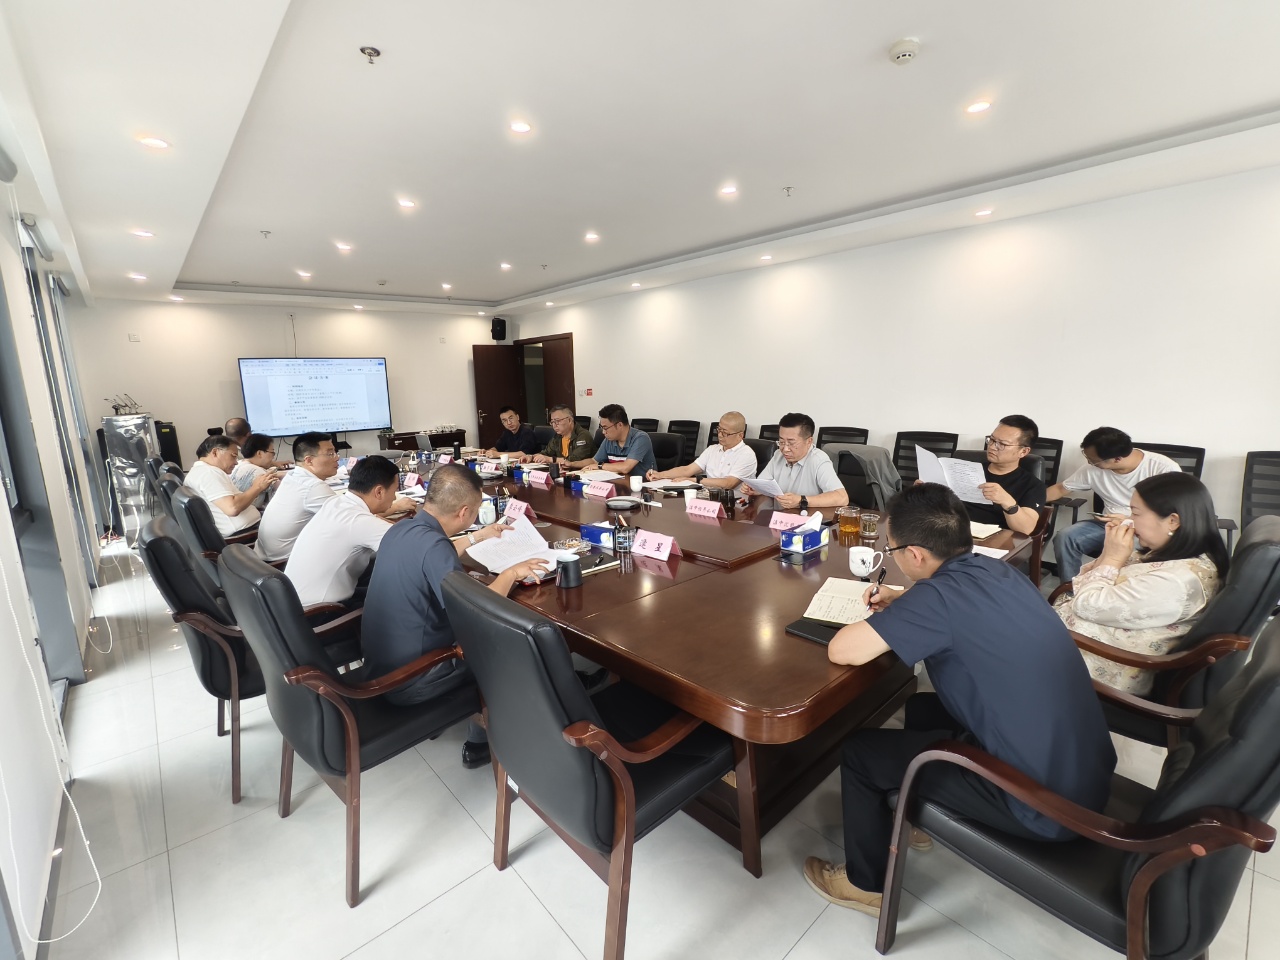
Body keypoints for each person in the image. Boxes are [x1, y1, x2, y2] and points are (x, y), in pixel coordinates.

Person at [803, 483, 1116, 917]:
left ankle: (865, 884)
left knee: (860, 752)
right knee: (922, 708)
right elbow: (955, 604)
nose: (892, 557)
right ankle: (914, 815)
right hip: (1082, 771)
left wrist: (909, 605)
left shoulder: (937, 598)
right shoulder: (997, 569)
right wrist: (903, 600)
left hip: (1042, 805)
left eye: (891, 550)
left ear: (915, 554)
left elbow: (843, 651)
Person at [361, 464, 550, 768]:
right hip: (412, 680)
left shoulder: (401, 529)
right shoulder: (434, 546)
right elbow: (476, 610)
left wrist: (478, 536)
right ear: (464, 512)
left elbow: (439, 548)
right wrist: (512, 573)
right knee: (511, 650)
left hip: (380, 666)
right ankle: (484, 742)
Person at [1054, 472, 1228, 695]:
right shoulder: (1173, 554)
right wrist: (1111, 552)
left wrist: (1112, 558)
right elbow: (1088, 581)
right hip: (1079, 643)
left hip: (1099, 667)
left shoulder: (1175, 583)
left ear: (1173, 521)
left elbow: (1087, 604)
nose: (1129, 520)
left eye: (1135, 513)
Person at [1047, 427, 1181, 582]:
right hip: (1107, 525)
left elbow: (1173, 510)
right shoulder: (1091, 470)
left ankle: (1115, 592)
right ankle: (1071, 589)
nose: (1089, 462)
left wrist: (1129, 520)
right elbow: (1060, 488)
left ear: (1117, 459)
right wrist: (1029, 504)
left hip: (1145, 529)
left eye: (1093, 460)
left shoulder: (1163, 468)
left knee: (1133, 553)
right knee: (1066, 537)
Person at [285, 455, 416, 607]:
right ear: (379, 492)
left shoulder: (336, 502)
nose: (394, 498)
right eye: (394, 491)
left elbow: (377, 525)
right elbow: (415, 549)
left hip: (293, 603)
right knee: (407, 592)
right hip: (323, 612)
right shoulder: (359, 521)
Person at [254, 432, 341, 562]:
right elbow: (349, 518)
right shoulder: (312, 487)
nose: (337, 458)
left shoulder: (293, 476)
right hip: (284, 562)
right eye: (330, 454)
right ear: (309, 460)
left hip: (265, 556)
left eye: (335, 452)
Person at [740, 412, 849, 509]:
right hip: (779, 518)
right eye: (781, 442)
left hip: (807, 520)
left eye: (791, 443)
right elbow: (764, 484)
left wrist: (802, 500)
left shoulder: (819, 460)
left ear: (809, 441)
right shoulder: (778, 455)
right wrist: (756, 489)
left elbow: (842, 498)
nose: (785, 449)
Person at [183, 434, 279, 538]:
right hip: (245, 533)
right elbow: (232, 508)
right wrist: (257, 487)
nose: (236, 462)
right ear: (215, 452)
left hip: (249, 526)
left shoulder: (202, 471)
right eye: (233, 456)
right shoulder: (208, 473)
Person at [965, 415, 1046, 535]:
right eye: (992, 440)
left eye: (1002, 444)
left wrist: (1007, 502)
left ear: (1023, 451)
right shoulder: (969, 470)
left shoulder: (1033, 486)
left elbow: (1026, 529)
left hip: (996, 539)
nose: (992, 447)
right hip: (953, 533)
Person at [644, 410, 757, 490]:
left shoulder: (746, 454)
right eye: (719, 430)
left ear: (740, 435)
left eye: (725, 433)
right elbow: (687, 470)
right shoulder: (713, 449)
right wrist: (660, 475)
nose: (720, 435)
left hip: (735, 504)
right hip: (709, 498)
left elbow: (728, 483)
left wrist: (694, 480)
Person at [563, 403, 656, 477]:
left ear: (619, 425)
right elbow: (594, 461)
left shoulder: (640, 438)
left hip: (642, 487)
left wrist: (599, 466)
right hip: (619, 484)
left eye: (605, 428)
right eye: (602, 428)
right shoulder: (609, 439)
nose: (603, 432)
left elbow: (625, 467)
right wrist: (571, 464)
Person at [530, 404, 595, 464]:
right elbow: (546, 453)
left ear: (569, 420)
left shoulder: (583, 435)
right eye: (552, 422)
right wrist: (531, 457)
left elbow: (575, 460)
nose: (554, 425)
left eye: (557, 421)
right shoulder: (558, 437)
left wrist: (551, 459)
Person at [230, 433, 277, 508]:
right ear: (259, 453)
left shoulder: (239, 463)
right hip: (248, 512)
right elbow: (282, 487)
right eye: (272, 453)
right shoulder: (257, 471)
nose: (273, 457)